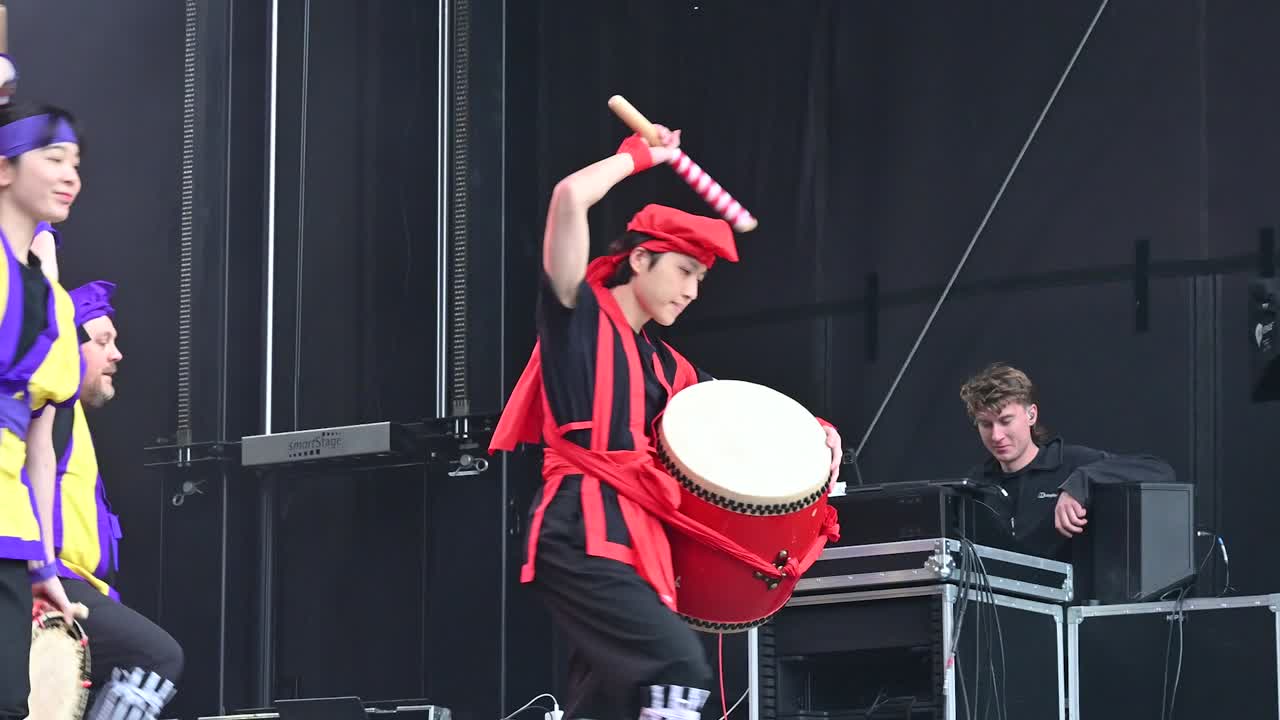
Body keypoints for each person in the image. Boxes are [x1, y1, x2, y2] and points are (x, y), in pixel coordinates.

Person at [490, 127, 842, 720]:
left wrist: (814, 430)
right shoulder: (577, 313)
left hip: (641, 540)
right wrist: (641, 157)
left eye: (700, 279)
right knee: (677, 668)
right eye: (682, 270)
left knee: (610, 702)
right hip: (581, 525)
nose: (691, 290)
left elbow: (736, 419)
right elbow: (570, 198)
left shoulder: (667, 367)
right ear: (638, 258)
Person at [39, 279, 180, 718]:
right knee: (155, 657)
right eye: (103, 342)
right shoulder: (49, 409)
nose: (116, 355)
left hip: (71, 582)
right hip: (48, 579)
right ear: (68, 348)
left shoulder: (70, 416)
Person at [0, 101, 89, 720]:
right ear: (4, 167)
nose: (70, 177)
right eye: (53, 158)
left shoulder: (56, 308)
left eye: (76, 164)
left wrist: (44, 563)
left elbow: (40, 444)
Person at [959, 362, 1174, 565]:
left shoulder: (1071, 464)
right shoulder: (977, 485)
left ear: (1031, 415)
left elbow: (1159, 470)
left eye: (1006, 421)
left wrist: (1080, 483)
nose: (997, 435)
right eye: (986, 424)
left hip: (1066, 602)